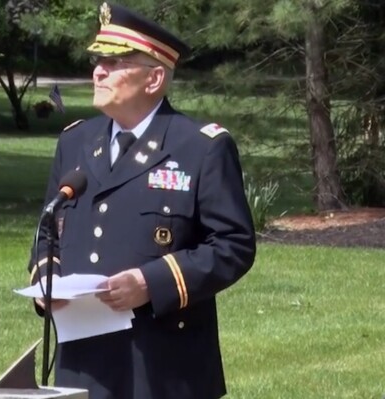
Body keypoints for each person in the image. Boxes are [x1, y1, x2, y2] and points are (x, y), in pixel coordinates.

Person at [26, 3, 256, 399]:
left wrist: (151, 282)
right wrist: (47, 283)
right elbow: (49, 228)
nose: (98, 71)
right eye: (99, 60)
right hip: (82, 361)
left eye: (115, 63)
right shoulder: (76, 142)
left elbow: (234, 245)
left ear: (153, 78)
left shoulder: (200, 147)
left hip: (162, 361)